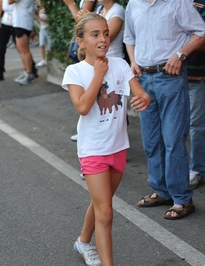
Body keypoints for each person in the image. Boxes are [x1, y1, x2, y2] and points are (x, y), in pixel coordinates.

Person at [62, 13, 150, 266]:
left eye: (105, 33)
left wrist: (144, 99)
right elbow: (82, 106)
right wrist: (99, 74)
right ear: (81, 41)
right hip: (92, 150)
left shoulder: (120, 65)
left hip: (118, 147)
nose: (103, 39)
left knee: (102, 203)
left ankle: (83, 242)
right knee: (106, 212)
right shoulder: (75, 71)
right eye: (95, 34)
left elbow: (142, 94)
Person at [124, 0, 205, 220]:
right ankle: (162, 192)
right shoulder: (133, 3)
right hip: (142, 78)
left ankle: (182, 199)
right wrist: (133, 61)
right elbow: (129, 38)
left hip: (169, 77)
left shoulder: (178, 2)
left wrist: (181, 54)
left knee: (173, 140)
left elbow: (203, 33)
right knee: (151, 140)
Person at [187, 0, 205, 189]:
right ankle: (177, 169)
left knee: (197, 126)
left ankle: (197, 170)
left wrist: (177, 49)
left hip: (198, 75)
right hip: (172, 75)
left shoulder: (203, 3)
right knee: (173, 126)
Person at [63, 0, 102, 142]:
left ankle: (103, 136)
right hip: (91, 54)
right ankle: (87, 131)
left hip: (97, 55)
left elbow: (83, 21)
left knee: (101, 96)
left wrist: (69, 5)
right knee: (89, 95)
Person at [9, 0, 37, 85]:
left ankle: (29, 73)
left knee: (24, 49)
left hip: (23, 22)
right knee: (21, 49)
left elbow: (10, 1)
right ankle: (26, 71)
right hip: (21, 21)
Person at [35, 0, 51, 67]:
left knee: (50, 45)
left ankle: (49, 59)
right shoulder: (39, 10)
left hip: (48, 28)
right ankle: (43, 59)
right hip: (42, 28)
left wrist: (42, 19)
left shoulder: (47, 9)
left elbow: (49, 19)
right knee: (41, 44)